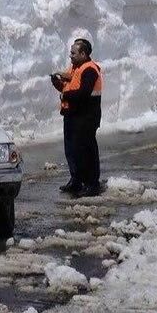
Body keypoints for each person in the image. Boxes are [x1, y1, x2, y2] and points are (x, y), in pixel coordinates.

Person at [50, 38, 103, 197]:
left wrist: (65, 94)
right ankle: (76, 180)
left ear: (83, 53)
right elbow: (68, 88)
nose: (70, 56)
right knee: (72, 150)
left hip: (86, 117)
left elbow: (83, 93)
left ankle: (92, 183)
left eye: (73, 53)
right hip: (72, 115)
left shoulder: (90, 70)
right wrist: (57, 83)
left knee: (87, 150)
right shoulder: (75, 68)